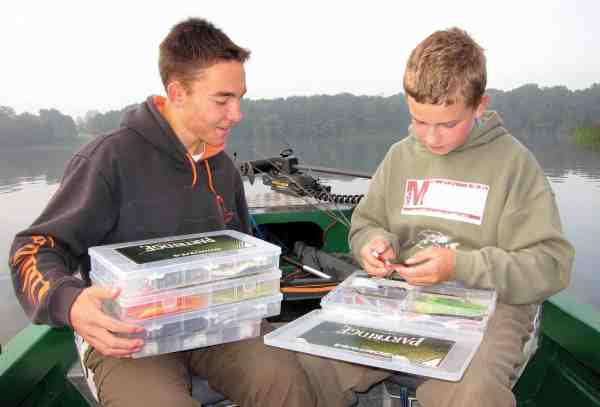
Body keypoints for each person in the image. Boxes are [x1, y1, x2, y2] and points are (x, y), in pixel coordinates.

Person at [8, 17, 388, 407]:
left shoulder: (222, 169)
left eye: (240, 98)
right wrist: (69, 303)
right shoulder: (108, 159)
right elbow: (32, 250)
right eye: (222, 100)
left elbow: (242, 253)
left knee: (284, 382)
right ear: (177, 93)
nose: (237, 114)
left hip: (216, 325)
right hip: (128, 336)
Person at [349, 27, 574, 407]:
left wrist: (460, 265)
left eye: (448, 124)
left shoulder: (514, 164)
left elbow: (550, 266)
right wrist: (372, 244)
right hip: (406, 297)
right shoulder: (399, 157)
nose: (430, 138)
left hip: (495, 304)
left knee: (470, 395)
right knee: (310, 360)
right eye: (419, 121)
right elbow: (365, 225)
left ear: (480, 105)